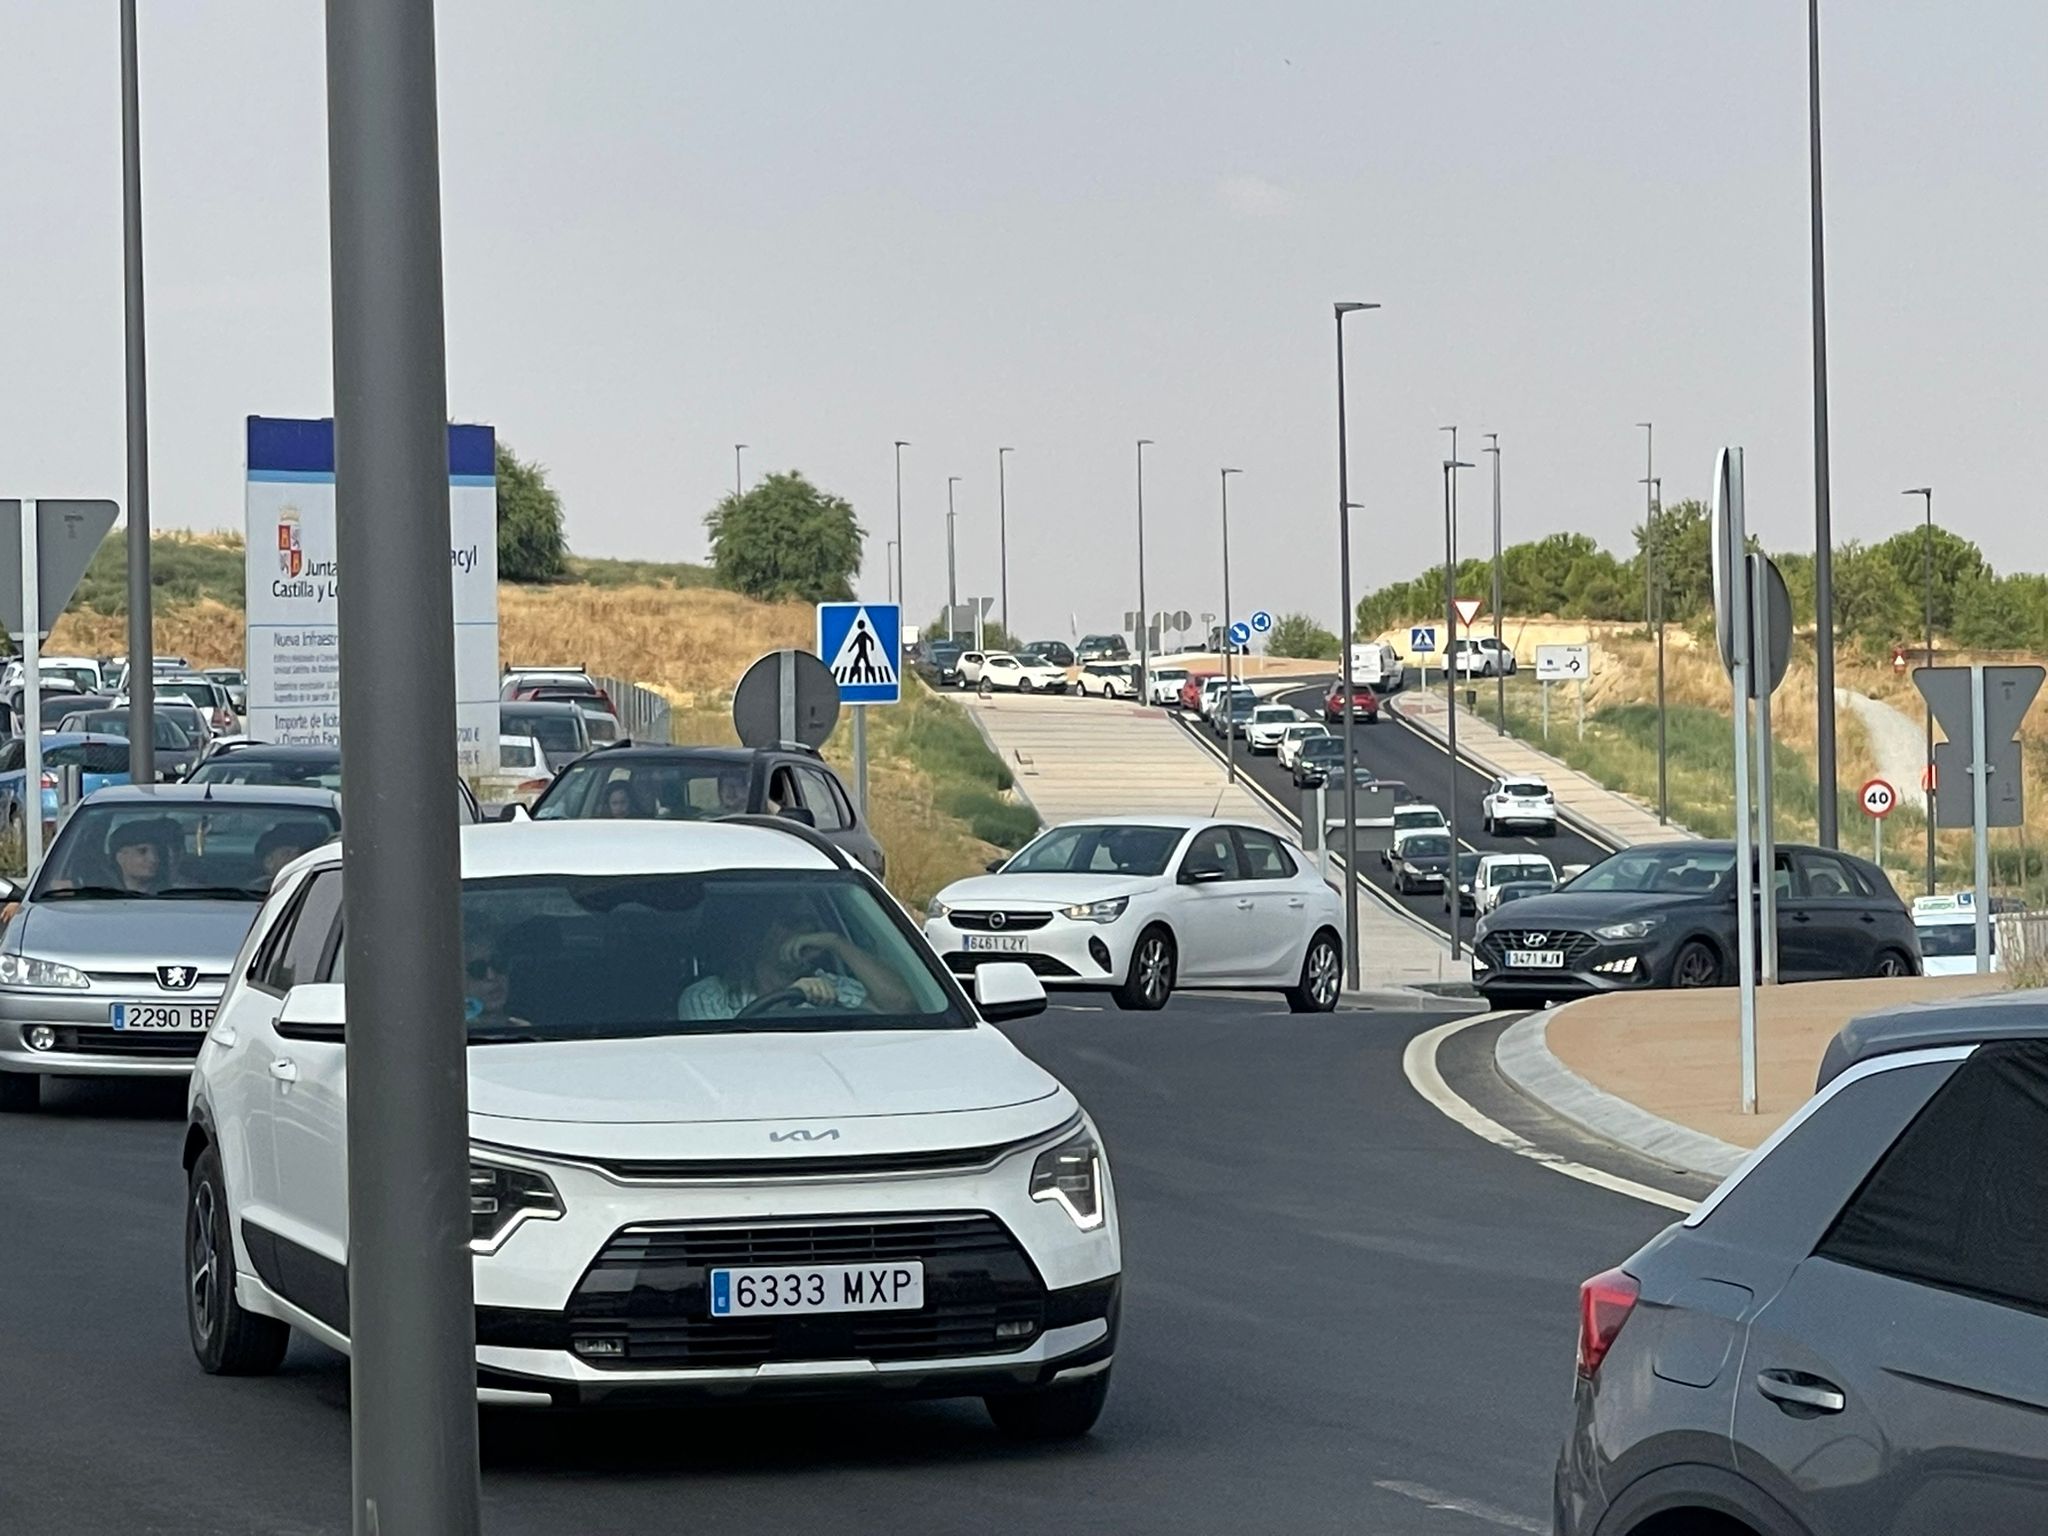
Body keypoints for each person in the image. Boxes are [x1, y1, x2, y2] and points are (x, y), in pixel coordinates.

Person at [679, 900, 914, 1021]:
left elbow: (902, 1006)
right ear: (760, 933)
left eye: (812, 926)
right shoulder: (708, 996)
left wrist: (837, 942)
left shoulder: (835, 987)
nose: (805, 933)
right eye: (792, 922)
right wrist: (786, 1003)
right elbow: (715, 1063)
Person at [463, 933, 531, 1032]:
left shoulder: (531, 1033)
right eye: (478, 969)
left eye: (498, 962)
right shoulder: (446, 1038)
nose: (491, 976)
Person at [108, 818, 174, 894]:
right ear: (120, 857)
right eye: (142, 851)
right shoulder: (100, 894)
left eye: (158, 852)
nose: (154, 859)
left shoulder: (179, 893)